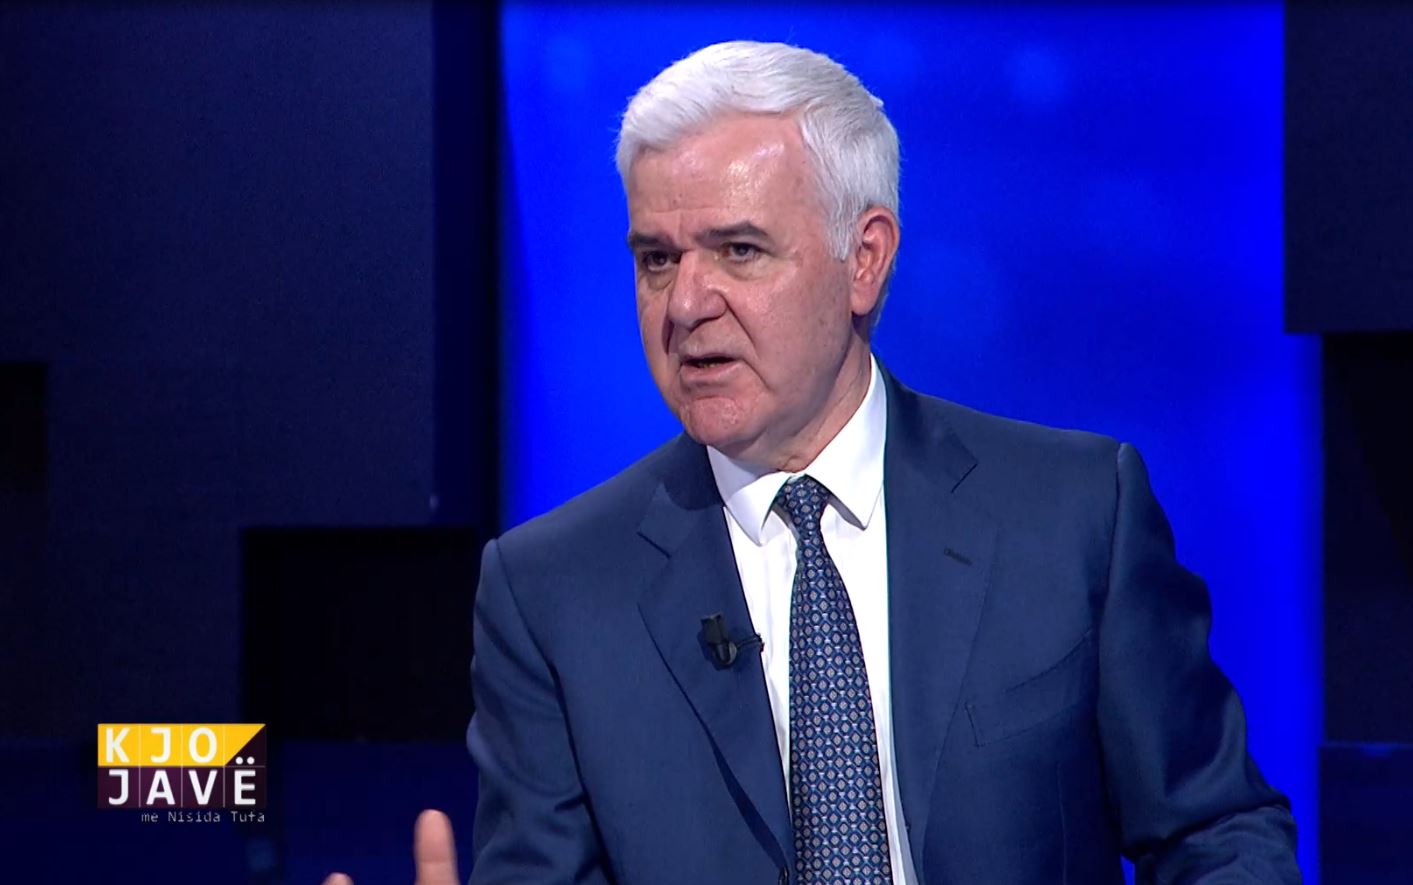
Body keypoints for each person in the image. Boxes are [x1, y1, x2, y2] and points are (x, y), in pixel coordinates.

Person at [326, 40, 1299, 885]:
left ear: (864, 259)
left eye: (739, 251)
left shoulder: (1075, 514)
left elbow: (1215, 832)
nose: (685, 305)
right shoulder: (551, 591)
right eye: (657, 259)